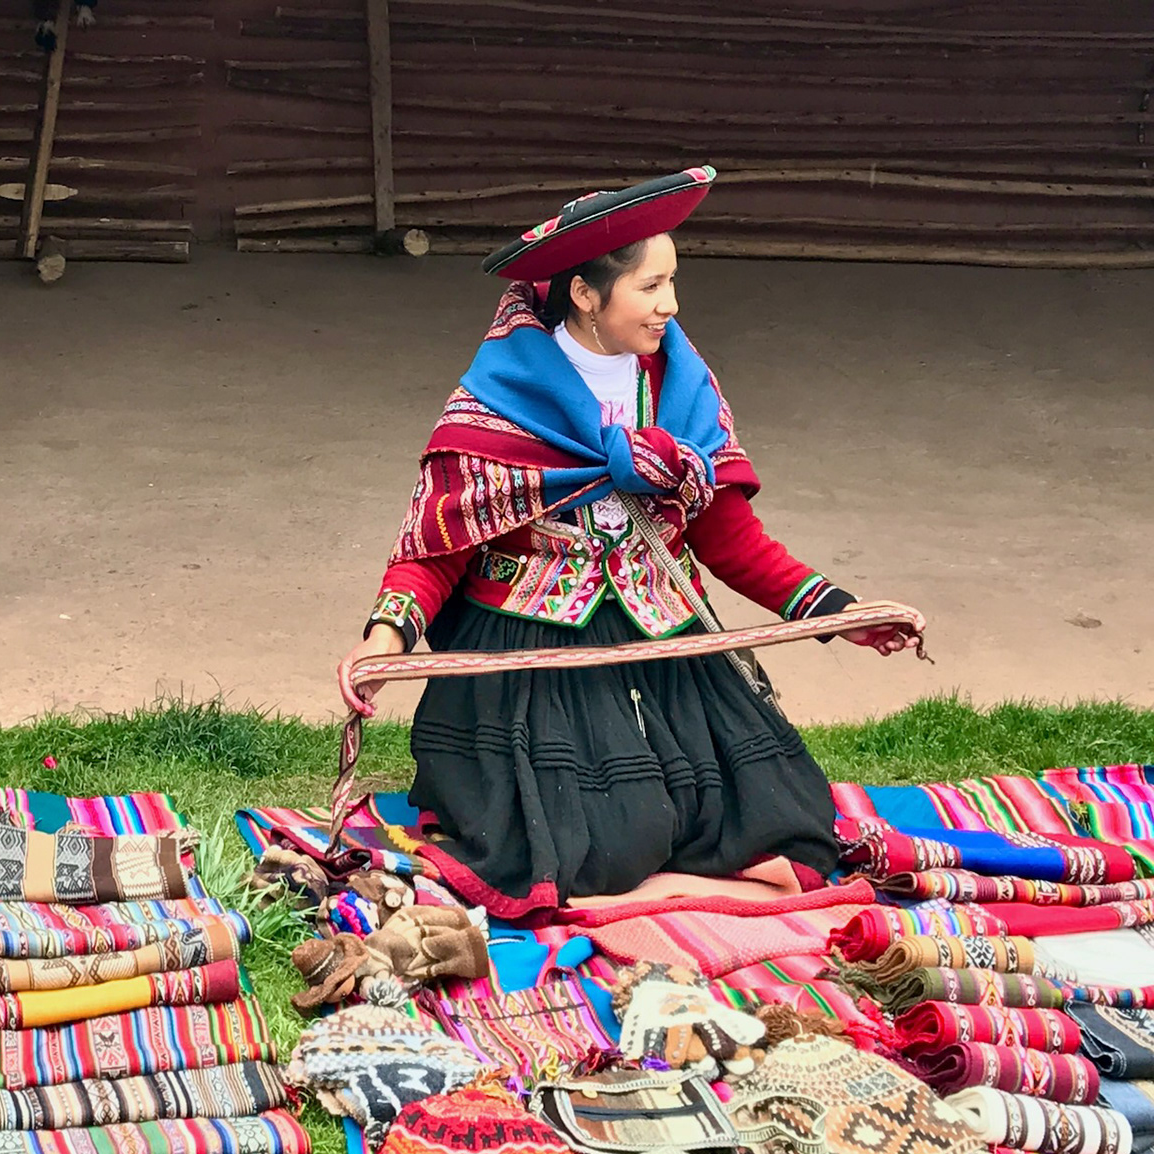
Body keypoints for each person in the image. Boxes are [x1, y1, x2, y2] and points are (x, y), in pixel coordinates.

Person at [340, 167, 916, 919]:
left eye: (672, 281)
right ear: (585, 294)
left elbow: (730, 540)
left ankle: (674, 872)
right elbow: (438, 545)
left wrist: (840, 611)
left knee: (780, 814)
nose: (670, 304)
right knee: (605, 838)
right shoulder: (499, 401)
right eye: (650, 286)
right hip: (534, 656)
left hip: (663, 642)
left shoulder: (682, 390)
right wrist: (381, 644)